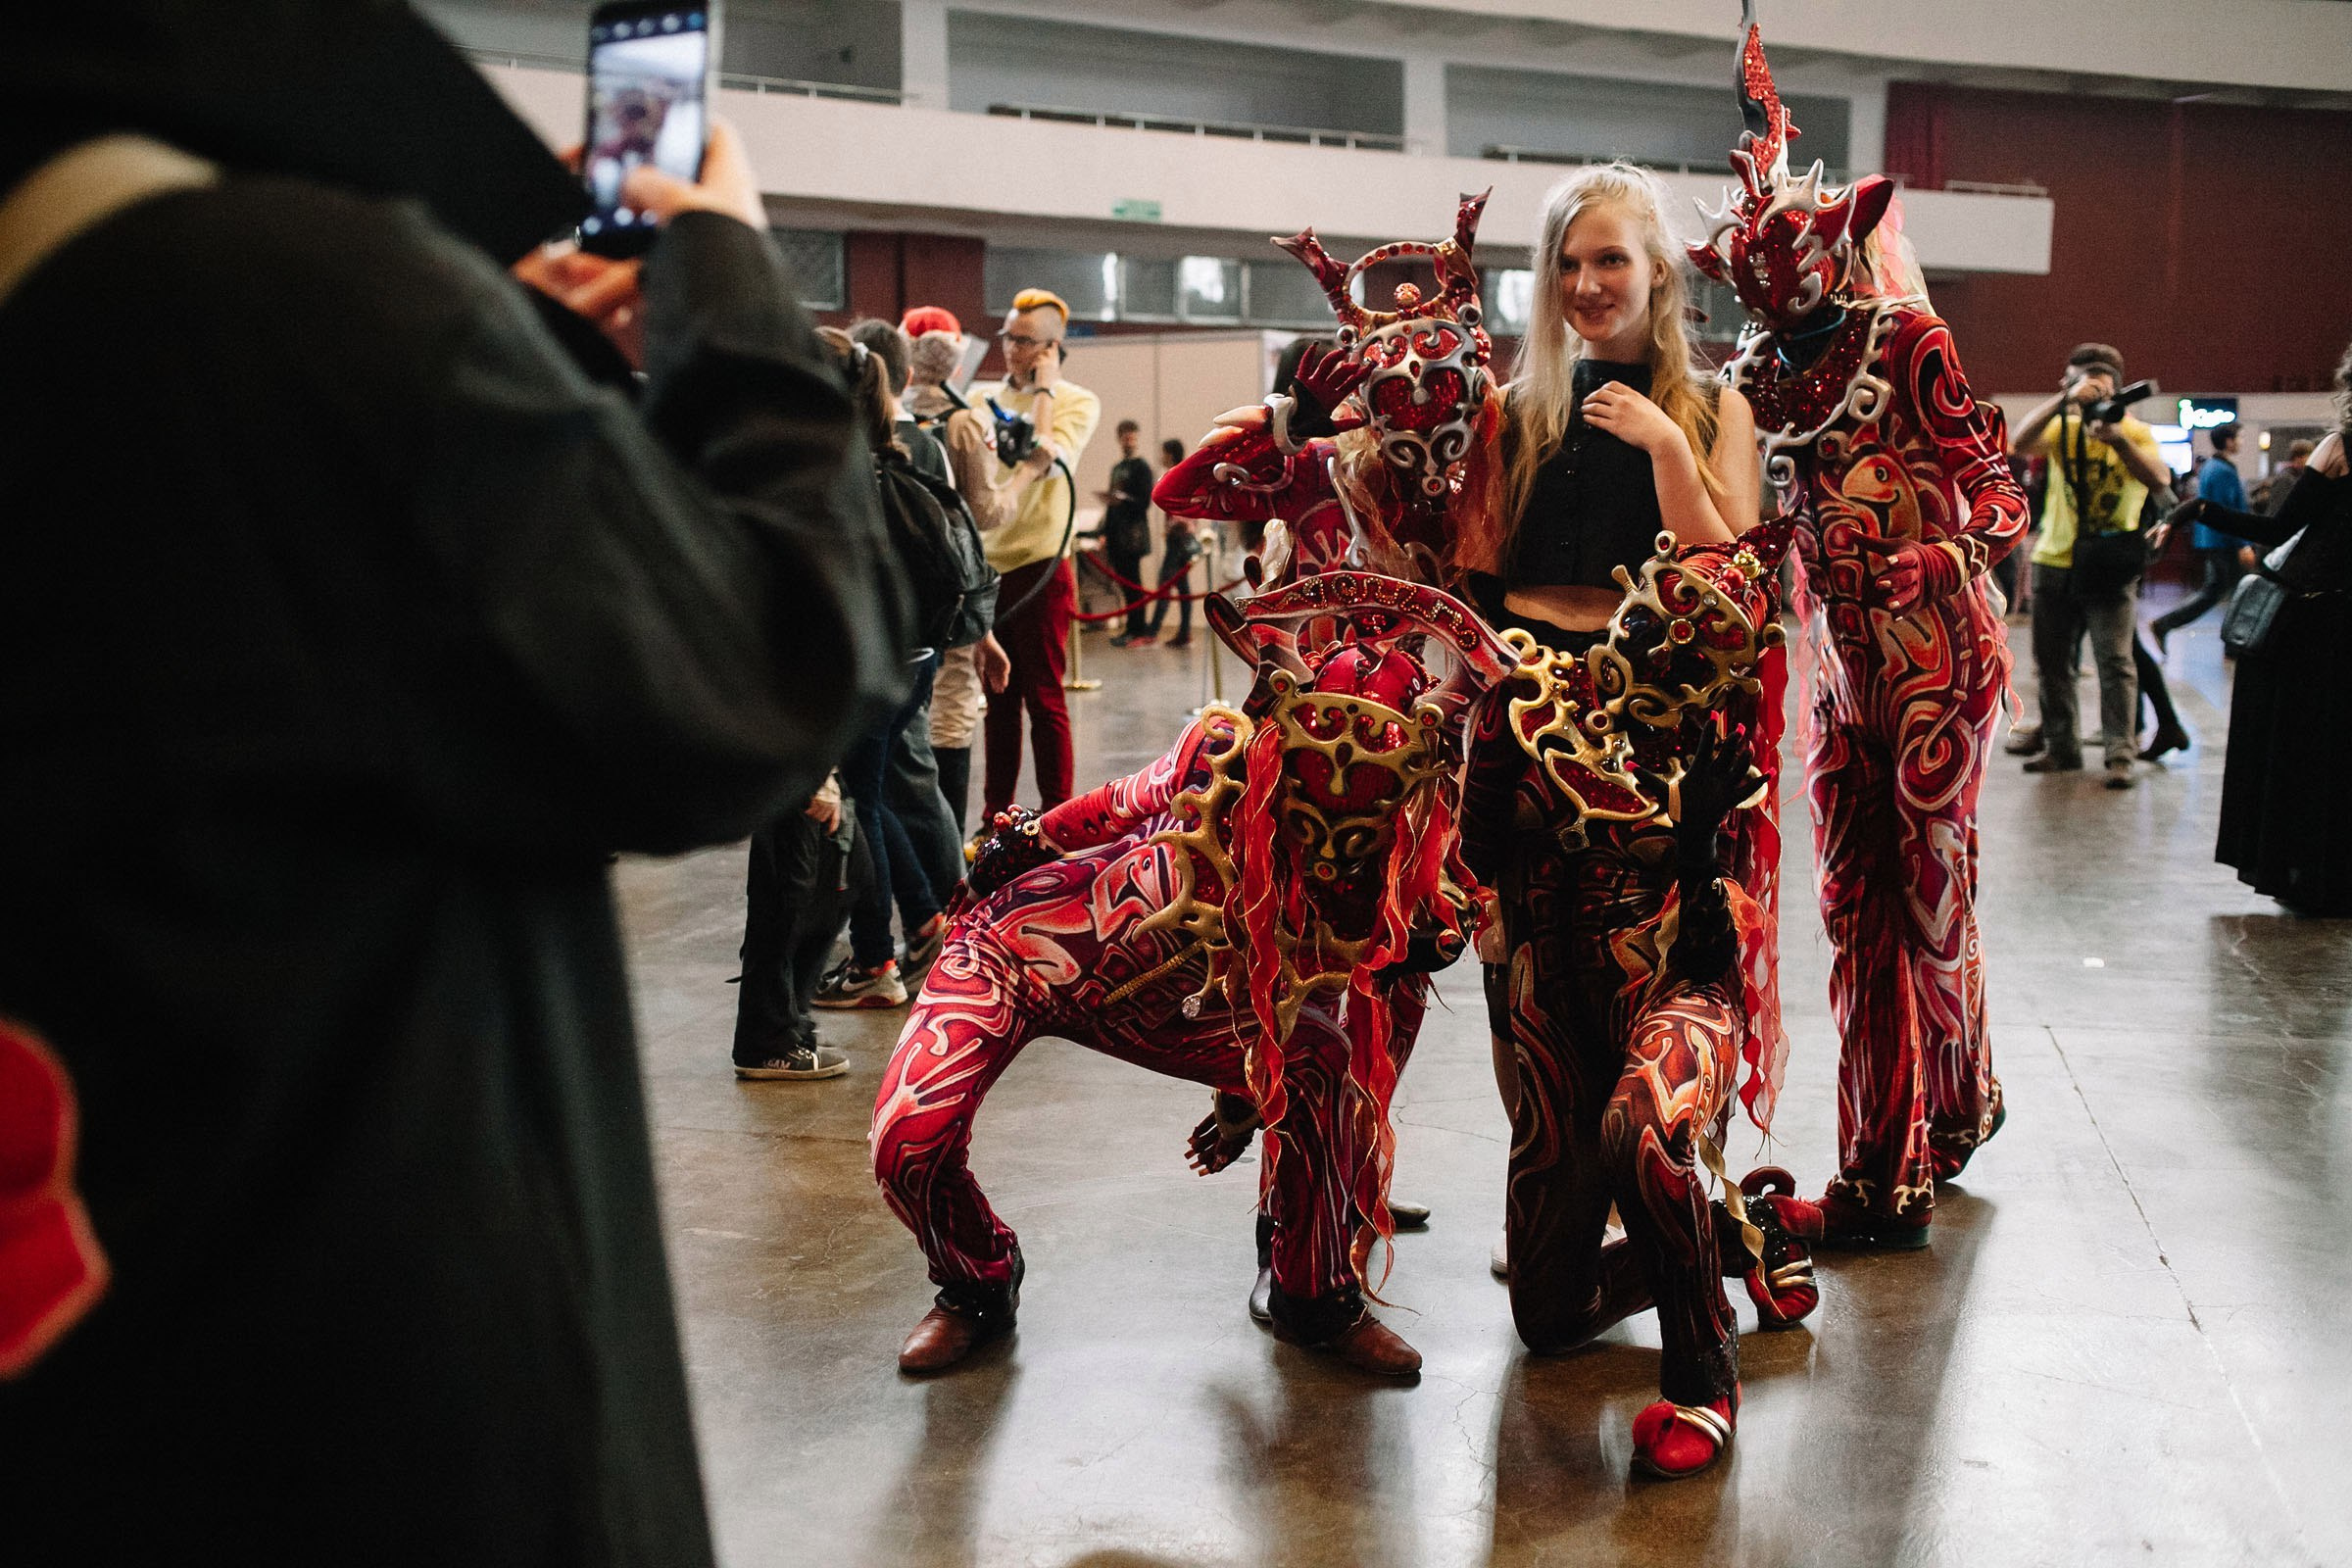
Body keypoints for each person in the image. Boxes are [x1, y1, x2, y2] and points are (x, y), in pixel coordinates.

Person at [0, 7, 908, 1562]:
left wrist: (510, 371)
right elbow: (770, 667)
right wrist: (731, 283)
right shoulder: (257, 289)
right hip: (383, 1404)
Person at [874, 574, 1514, 1379]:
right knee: (908, 1140)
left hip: (1195, 1005)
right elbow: (1112, 807)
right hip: (1037, 947)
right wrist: (1017, 847)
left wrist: (1247, 1092)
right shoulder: (1222, 752)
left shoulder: (1407, 858)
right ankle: (975, 1283)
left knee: (1325, 1067)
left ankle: (1313, 1296)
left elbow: (1310, 987)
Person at [1458, 163, 1810, 1482]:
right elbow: (1475, 588)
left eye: (1612, 259)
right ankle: (1680, 1235)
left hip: (1664, 745)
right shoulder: (1513, 411)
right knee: (1523, 998)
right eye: (1568, 264)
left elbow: (1728, 580)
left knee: (1655, 1023)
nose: (1590, 283)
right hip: (1529, 734)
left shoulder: (1712, 407)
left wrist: (1666, 447)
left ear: (1659, 269)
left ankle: (1681, 1249)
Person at [1690, 17, 2030, 1248]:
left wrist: (1931, 556)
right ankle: (1886, 1160)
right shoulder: (1755, 373)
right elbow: (1754, 515)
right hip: (1842, 675)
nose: (1777, 300)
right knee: (1851, 902)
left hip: (1938, 658)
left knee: (1932, 901)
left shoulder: (1908, 339)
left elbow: (2000, 494)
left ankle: (1959, 1095)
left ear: (1837, 249)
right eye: (1755, 282)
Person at [2168, 353, 2352, 914]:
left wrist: (2198, 507)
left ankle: (2302, 875)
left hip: (2312, 618)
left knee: (2302, 747)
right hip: (2331, 616)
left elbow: (2276, 529)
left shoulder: (2340, 447)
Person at [814, 323, 960, 1010]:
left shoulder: (835, 478)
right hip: (917, 660)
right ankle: (927, 918)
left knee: (859, 807)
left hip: (868, 669)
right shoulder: (893, 458)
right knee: (872, 799)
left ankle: (874, 962)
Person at [2007, 343, 2171, 788]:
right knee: (2052, 663)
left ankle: (2120, 754)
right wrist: (2065, 400)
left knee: (2115, 663)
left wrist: (2115, 439)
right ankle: (2062, 749)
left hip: (2109, 563)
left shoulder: (2132, 431)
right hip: (2054, 559)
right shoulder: (2065, 427)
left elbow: (2159, 480)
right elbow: (2018, 443)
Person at [973, 289, 1101, 822]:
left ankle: (1056, 817)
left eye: (1023, 341)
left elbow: (1049, 459)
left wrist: (1045, 390)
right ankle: (994, 816)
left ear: (1050, 347)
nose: (1010, 348)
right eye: (1006, 336)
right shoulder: (981, 399)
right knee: (998, 704)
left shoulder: (1077, 401)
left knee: (1045, 699)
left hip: (1041, 566)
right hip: (987, 566)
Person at [901, 311, 1013, 834]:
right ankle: (946, 862)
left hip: (899, 593)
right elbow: (985, 513)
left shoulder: (887, 419)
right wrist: (1029, 471)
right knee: (952, 711)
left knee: (907, 722)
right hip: (953, 591)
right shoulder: (966, 422)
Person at [733, 772, 857, 1079]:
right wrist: (814, 778)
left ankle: (790, 1022)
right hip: (796, 765)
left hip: (817, 760)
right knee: (786, 897)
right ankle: (769, 1042)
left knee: (848, 876)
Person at [2151, 421, 2256, 650]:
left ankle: (2168, 625)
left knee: (2223, 591)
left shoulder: (2214, 467)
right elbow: (2226, 512)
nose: (2242, 442)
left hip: (2217, 540)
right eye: (2240, 437)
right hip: (2223, 541)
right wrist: (2242, 544)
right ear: (2228, 441)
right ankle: (2167, 624)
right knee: (2221, 591)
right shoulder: (2222, 471)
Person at [1100, 418, 1156, 644]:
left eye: (1131, 436)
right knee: (1125, 584)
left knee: (1134, 584)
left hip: (1132, 535)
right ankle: (1130, 628)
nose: (1128, 440)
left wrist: (1123, 500)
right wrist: (1104, 532)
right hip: (1116, 533)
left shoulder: (1141, 467)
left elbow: (1144, 502)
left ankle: (1139, 629)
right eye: (1124, 436)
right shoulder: (1117, 468)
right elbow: (1110, 506)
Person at [1146, 509, 1202, 647]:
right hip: (1180, 533)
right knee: (1182, 587)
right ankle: (1184, 633)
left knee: (1165, 585)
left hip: (1178, 534)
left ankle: (1152, 633)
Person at [2255, 438, 2315, 514]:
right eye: (2308, 456)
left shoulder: (2300, 478)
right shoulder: (2286, 479)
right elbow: (2277, 509)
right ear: (2298, 458)